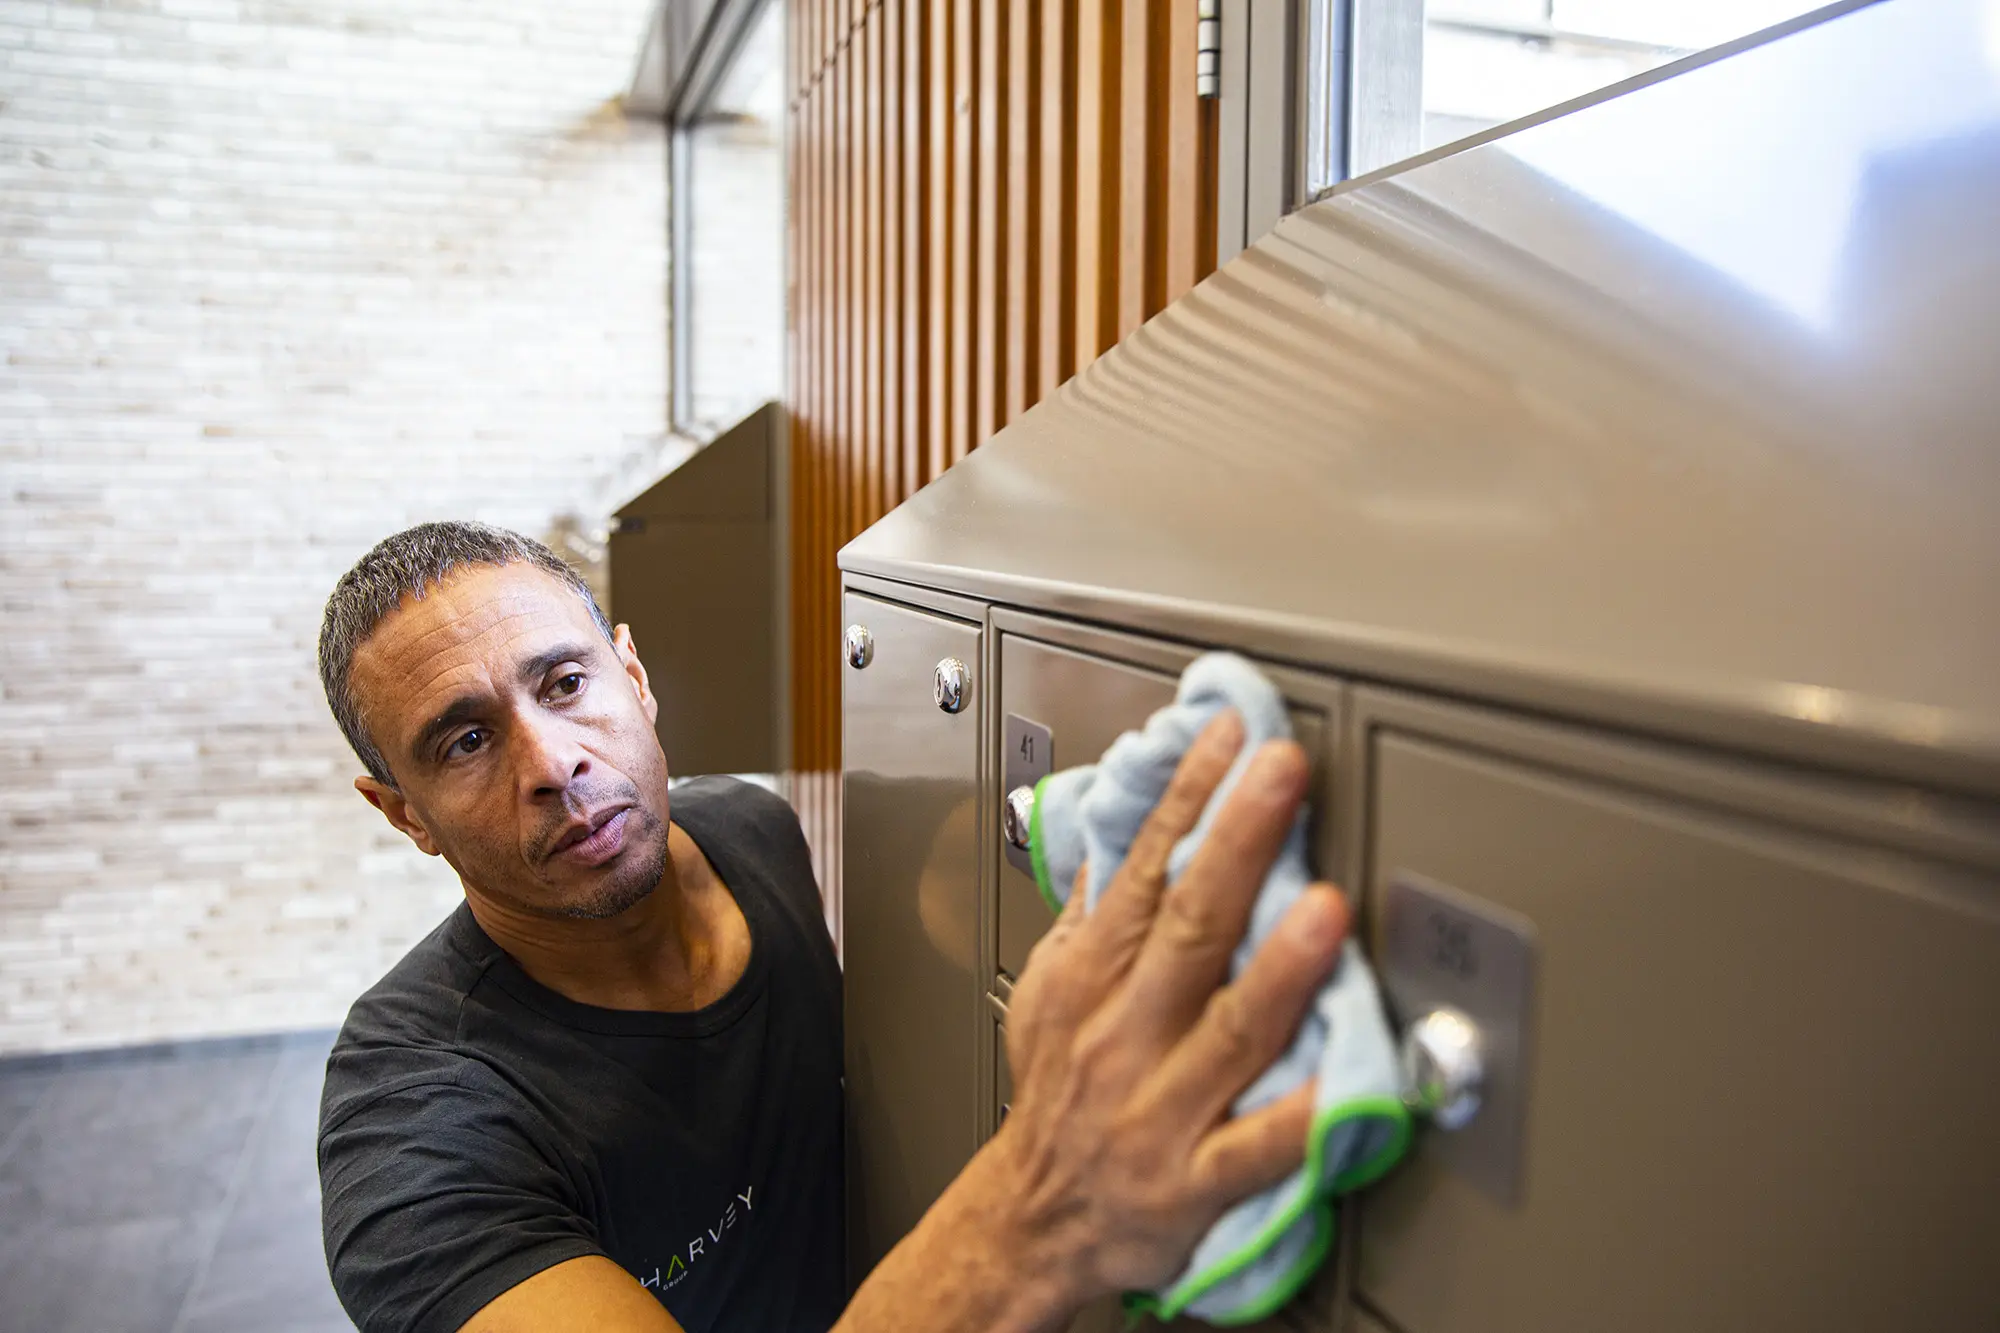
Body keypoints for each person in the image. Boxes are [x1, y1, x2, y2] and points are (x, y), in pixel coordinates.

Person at [316, 521, 1353, 1333]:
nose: (552, 765)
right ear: (402, 811)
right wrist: (1050, 1199)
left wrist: (1103, 802)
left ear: (633, 678)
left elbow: (953, 883)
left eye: (565, 683)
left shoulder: (749, 829)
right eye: (463, 740)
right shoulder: (415, 1124)